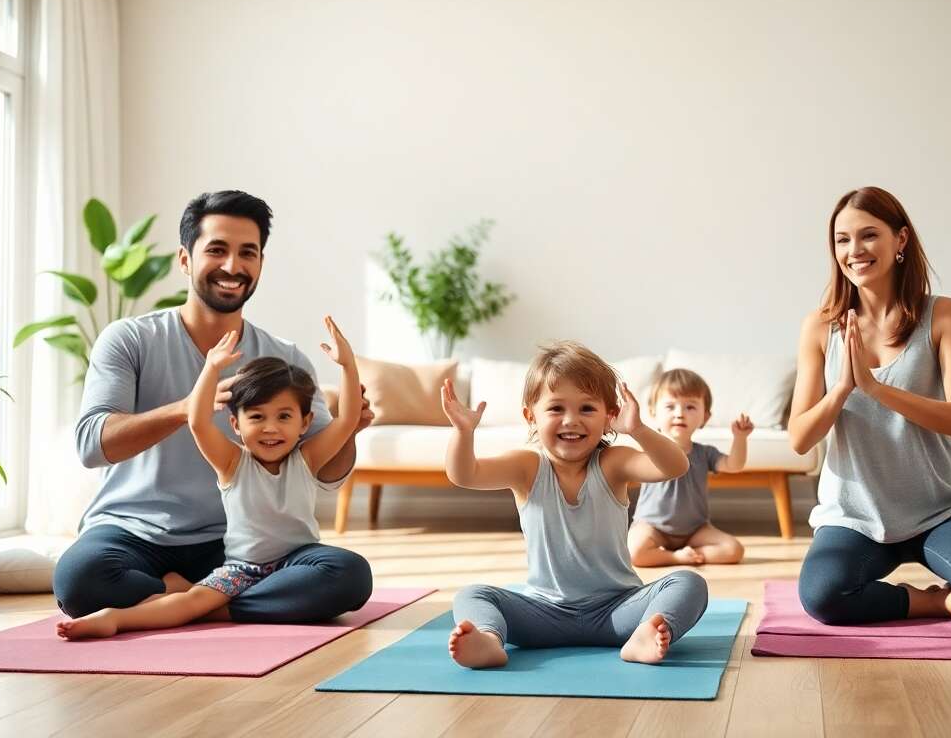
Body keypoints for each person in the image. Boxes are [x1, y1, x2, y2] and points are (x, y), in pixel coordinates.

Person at [52, 190, 374, 623]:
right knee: (79, 580)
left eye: (248, 253)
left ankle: (193, 602)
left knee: (348, 576)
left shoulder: (286, 358)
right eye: (217, 250)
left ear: (260, 264)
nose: (232, 267)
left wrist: (349, 429)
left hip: (242, 544)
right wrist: (186, 409)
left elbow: (327, 472)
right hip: (135, 533)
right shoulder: (129, 339)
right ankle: (205, 601)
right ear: (185, 259)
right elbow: (92, 445)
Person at [789, 186, 951, 626]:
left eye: (868, 235)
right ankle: (934, 603)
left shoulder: (943, 315)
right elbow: (800, 438)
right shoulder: (820, 327)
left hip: (940, 510)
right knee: (823, 598)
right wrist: (843, 388)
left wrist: (878, 389)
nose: (854, 250)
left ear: (900, 240)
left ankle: (944, 593)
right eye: (842, 240)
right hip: (854, 517)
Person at [58, 319, 364, 639]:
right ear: (234, 424)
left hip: (294, 560)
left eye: (284, 417)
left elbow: (348, 419)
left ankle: (207, 607)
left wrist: (348, 365)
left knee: (351, 573)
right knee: (94, 581)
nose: (270, 428)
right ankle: (118, 618)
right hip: (244, 568)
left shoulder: (307, 458)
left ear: (306, 423)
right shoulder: (233, 463)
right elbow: (199, 422)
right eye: (257, 417)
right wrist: (211, 368)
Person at [441, 341, 710, 668]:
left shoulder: (613, 463)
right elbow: (464, 474)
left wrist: (637, 429)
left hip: (617, 612)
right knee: (472, 594)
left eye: (587, 409)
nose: (571, 420)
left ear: (609, 417)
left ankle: (644, 635)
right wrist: (463, 432)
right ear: (531, 416)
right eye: (556, 409)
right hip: (544, 614)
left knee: (689, 584)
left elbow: (675, 466)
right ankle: (488, 638)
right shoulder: (526, 468)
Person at [628, 368, 750, 566]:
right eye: (670, 407)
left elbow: (734, 465)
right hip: (652, 527)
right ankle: (676, 557)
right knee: (634, 553)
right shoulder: (651, 449)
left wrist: (740, 438)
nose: (679, 414)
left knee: (734, 550)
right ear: (653, 413)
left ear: (705, 417)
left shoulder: (704, 453)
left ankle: (689, 553)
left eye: (690, 407)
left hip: (695, 530)